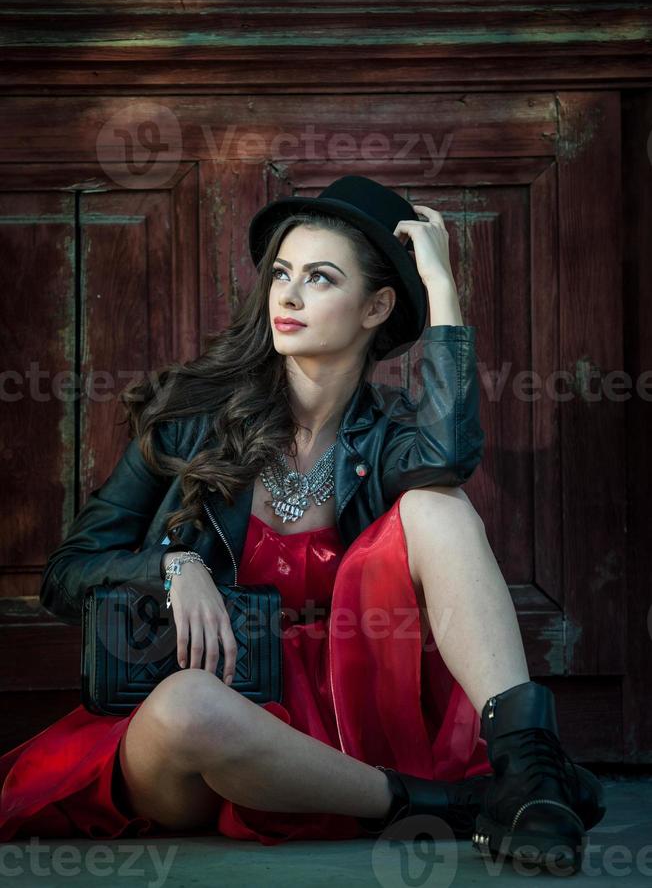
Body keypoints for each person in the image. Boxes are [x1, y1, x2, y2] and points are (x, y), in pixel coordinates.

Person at [0, 176, 603, 872]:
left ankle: (526, 765)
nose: (286, 295)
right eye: (282, 273)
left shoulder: (389, 438)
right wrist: (170, 567)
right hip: (216, 728)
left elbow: (447, 459)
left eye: (320, 278)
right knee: (189, 706)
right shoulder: (189, 417)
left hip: (352, 718)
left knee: (437, 505)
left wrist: (440, 286)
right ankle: (450, 804)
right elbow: (64, 574)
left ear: (377, 306)